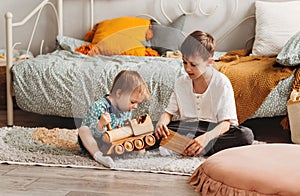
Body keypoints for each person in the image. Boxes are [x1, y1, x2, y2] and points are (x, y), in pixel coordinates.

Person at [154, 30, 254, 157]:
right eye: (184, 62)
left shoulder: (221, 83)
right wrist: (162, 122)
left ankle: (191, 147)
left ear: (209, 62)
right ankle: (193, 148)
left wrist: (205, 139)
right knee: (156, 131)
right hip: (189, 128)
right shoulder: (181, 83)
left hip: (215, 131)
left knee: (245, 135)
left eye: (193, 64)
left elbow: (225, 124)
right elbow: (168, 113)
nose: (187, 68)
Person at [78, 70, 151, 167]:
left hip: (115, 144)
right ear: (119, 93)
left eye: (138, 103)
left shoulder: (127, 109)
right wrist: (100, 125)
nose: (135, 107)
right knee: (83, 130)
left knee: (137, 134)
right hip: (97, 142)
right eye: (133, 102)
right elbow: (94, 133)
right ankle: (98, 155)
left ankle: (142, 159)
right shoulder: (99, 107)